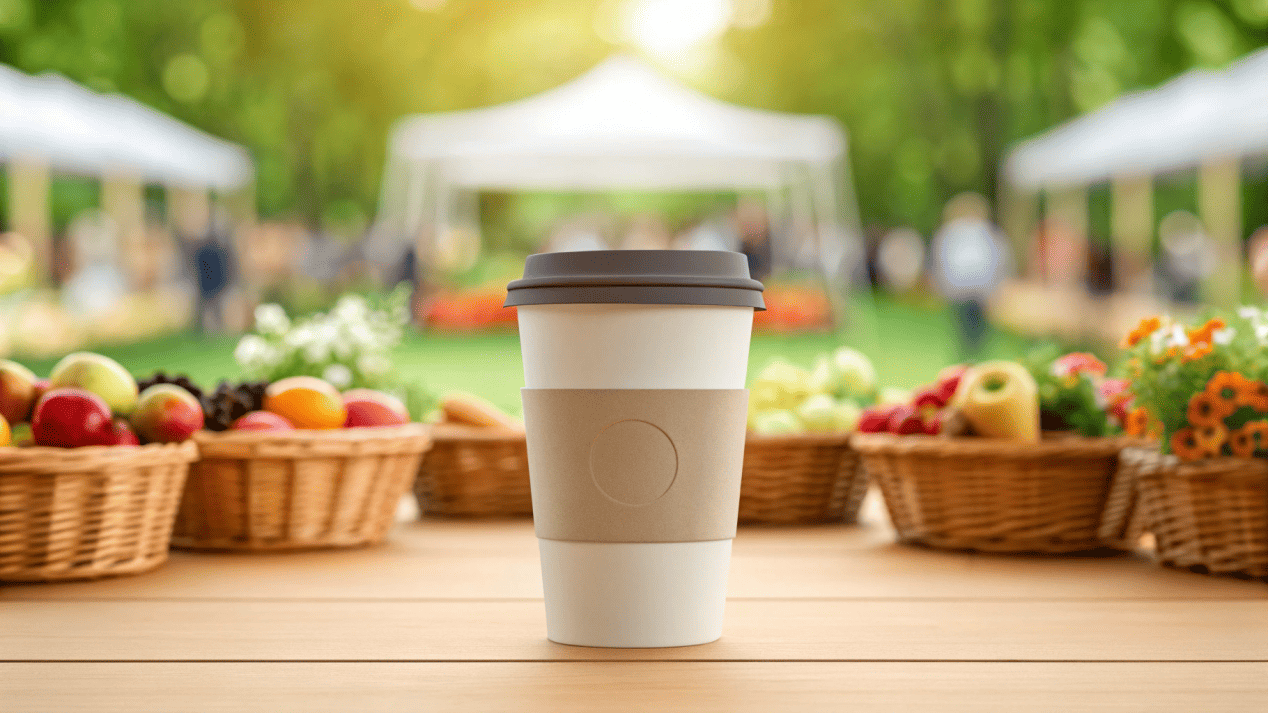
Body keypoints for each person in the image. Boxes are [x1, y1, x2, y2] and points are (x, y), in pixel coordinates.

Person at [930, 192, 1011, 358]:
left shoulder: (986, 233)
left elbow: (1000, 261)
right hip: (961, 291)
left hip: (980, 291)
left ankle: (974, 361)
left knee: (978, 333)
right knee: (965, 331)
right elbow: (941, 261)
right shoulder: (952, 234)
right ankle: (966, 361)